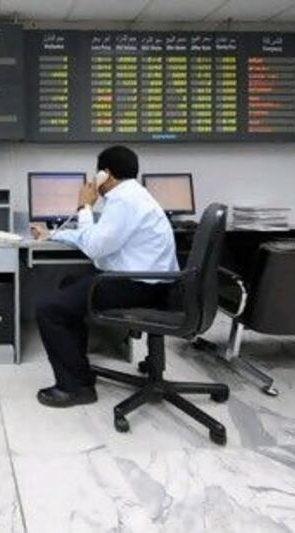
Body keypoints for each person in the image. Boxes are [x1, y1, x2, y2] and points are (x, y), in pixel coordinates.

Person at [31, 145, 178, 408]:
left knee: (49, 308)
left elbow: (95, 247)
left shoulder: (124, 201)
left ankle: (74, 387)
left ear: (105, 175)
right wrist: (53, 235)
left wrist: (84, 207)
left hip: (138, 286)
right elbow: (97, 238)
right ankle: (79, 370)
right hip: (151, 283)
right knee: (69, 285)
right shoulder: (134, 196)